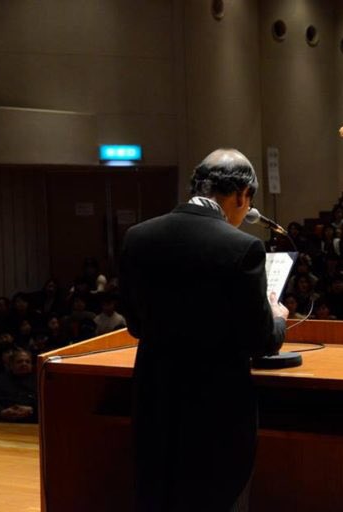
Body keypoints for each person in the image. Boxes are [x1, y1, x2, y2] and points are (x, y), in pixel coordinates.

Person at [120, 148, 288, 512]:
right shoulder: (242, 247)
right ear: (243, 195)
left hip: (154, 399)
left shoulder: (138, 236)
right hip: (215, 408)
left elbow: (135, 324)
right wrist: (277, 317)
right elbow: (260, 341)